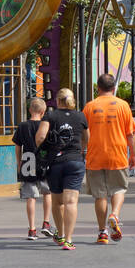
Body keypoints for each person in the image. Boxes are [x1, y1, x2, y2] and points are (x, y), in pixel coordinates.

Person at [81, 73, 135, 244]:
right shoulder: (123, 106)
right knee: (119, 189)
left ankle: (102, 232)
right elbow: (130, 134)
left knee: (100, 196)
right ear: (114, 88)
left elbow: (84, 135)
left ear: (97, 88)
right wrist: (133, 154)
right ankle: (115, 215)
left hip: (95, 156)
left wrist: (81, 152)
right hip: (117, 154)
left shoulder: (89, 107)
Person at [36, 87, 88, 251]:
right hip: (75, 161)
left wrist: (44, 150)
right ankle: (69, 239)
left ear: (57, 101)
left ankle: (60, 234)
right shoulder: (80, 116)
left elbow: (41, 137)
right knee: (71, 201)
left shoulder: (50, 115)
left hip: (55, 163)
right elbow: (87, 137)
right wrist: (82, 150)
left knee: (57, 202)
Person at [12, 98, 54, 240]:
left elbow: (17, 147)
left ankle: (32, 229)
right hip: (43, 161)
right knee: (47, 193)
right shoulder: (46, 125)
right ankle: (46, 223)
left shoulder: (23, 126)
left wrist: (19, 163)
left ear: (29, 109)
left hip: (27, 161)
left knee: (31, 197)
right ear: (43, 112)